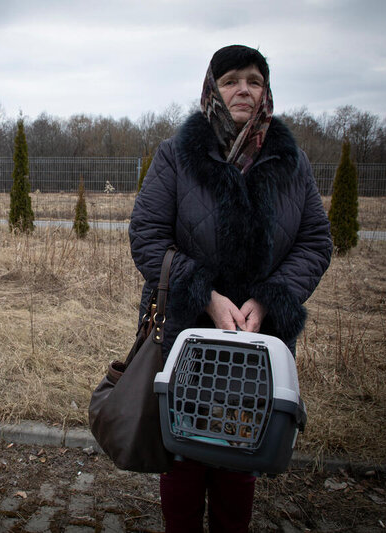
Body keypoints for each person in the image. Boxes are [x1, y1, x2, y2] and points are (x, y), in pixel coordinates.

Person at [129, 45, 333, 532]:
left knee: (240, 456)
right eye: (231, 80)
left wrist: (267, 299)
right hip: (185, 334)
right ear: (212, 90)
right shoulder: (177, 154)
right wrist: (207, 296)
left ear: (266, 92)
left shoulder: (291, 162)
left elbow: (315, 241)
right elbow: (147, 235)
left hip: (256, 341)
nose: (243, 89)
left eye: (254, 80)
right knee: (182, 455)